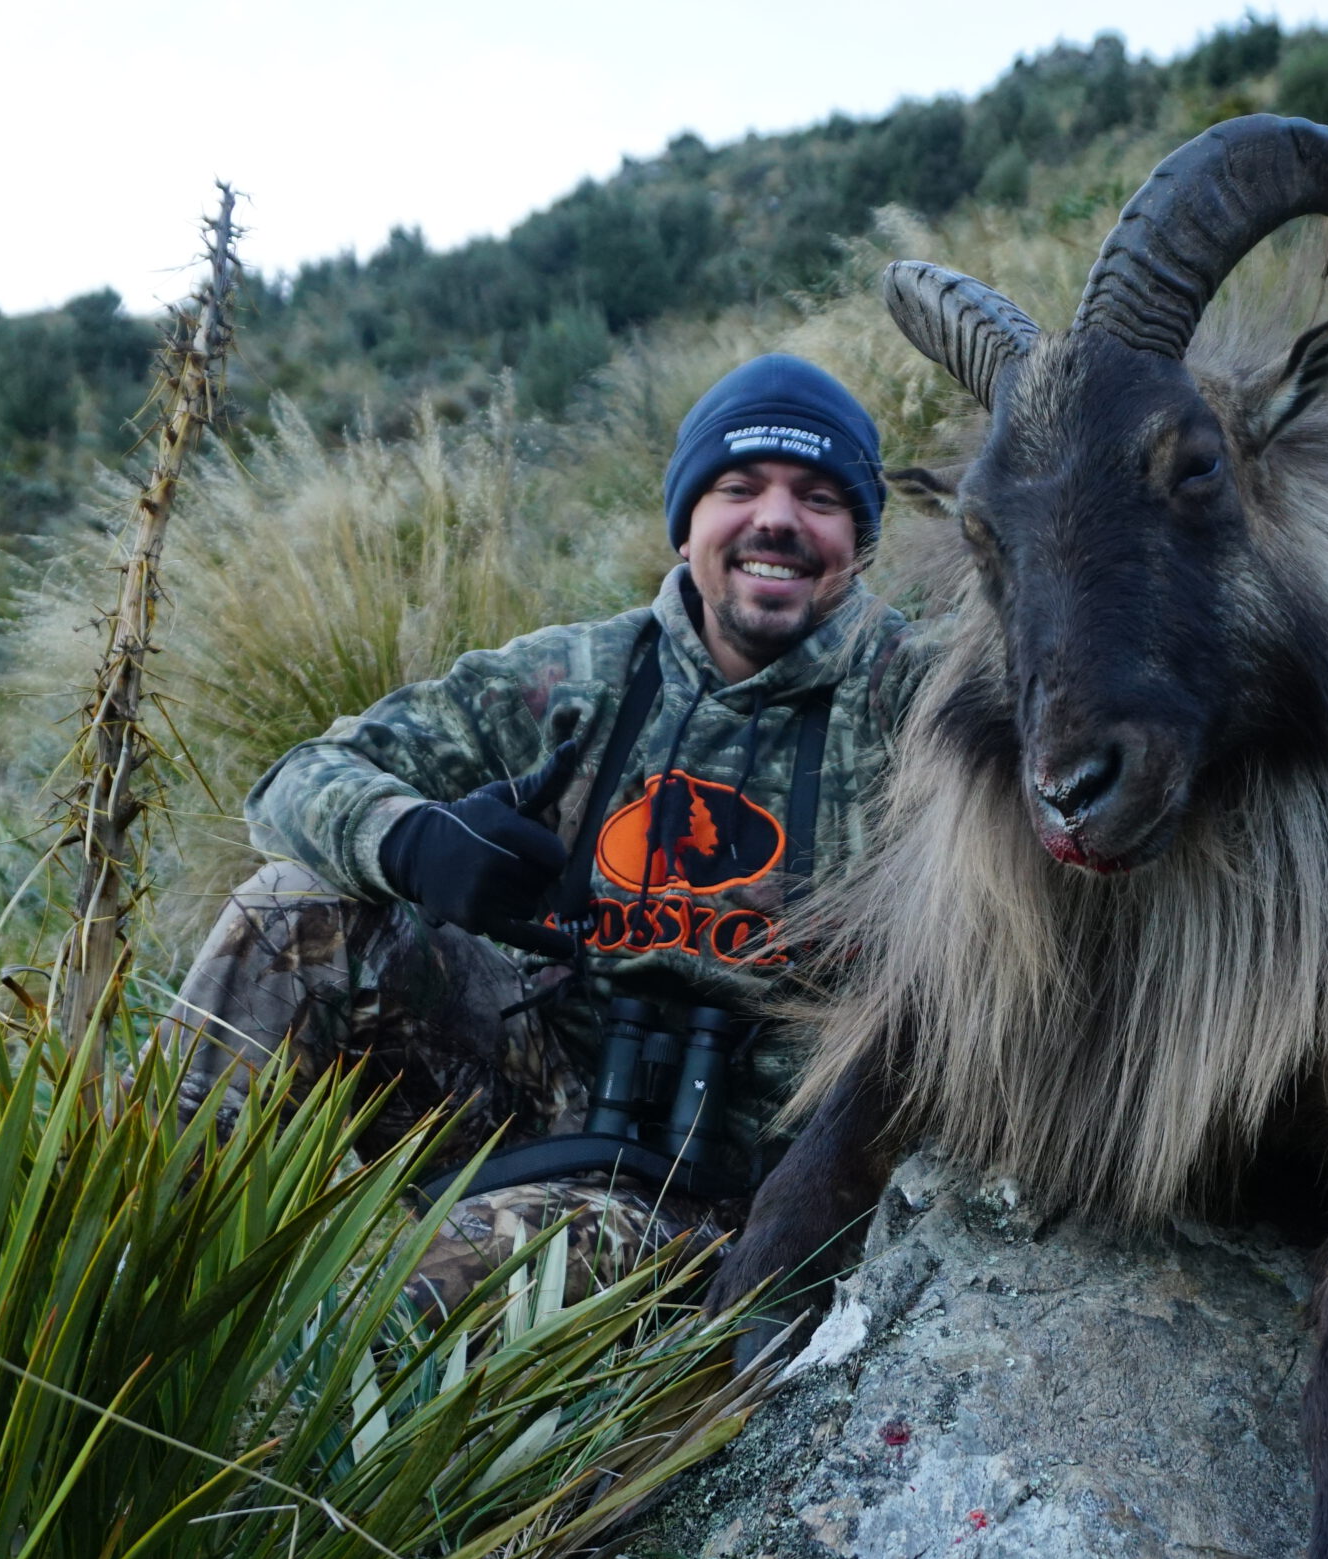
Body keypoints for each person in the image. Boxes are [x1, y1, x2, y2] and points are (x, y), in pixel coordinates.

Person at [165, 354, 920, 1311]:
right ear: (688, 524)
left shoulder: (922, 702)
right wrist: (416, 844)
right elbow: (292, 782)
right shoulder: (580, 677)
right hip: (545, 1094)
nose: (775, 518)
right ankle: (144, 1285)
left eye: (818, 497)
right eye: (738, 487)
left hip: (751, 1197)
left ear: (859, 540)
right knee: (289, 909)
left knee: (407, 1299)